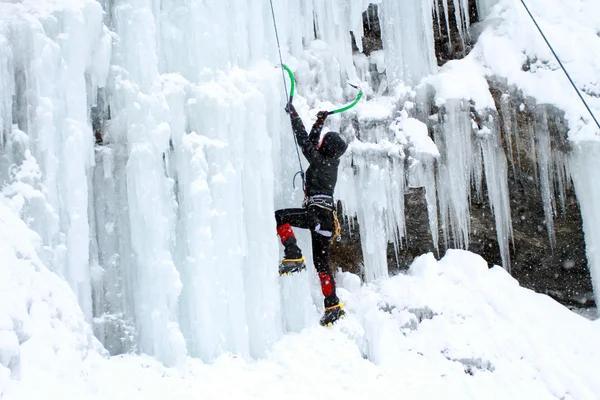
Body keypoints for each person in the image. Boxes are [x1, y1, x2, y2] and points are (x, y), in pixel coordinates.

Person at [275, 103, 348, 327]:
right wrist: (319, 122)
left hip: (316, 214)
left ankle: (293, 253)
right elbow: (311, 144)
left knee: (280, 217)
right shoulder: (330, 162)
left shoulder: (319, 160)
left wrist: (295, 115)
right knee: (321, 263)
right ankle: (333, 304)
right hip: (327, 220)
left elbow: (303, 140)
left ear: (326, 146)